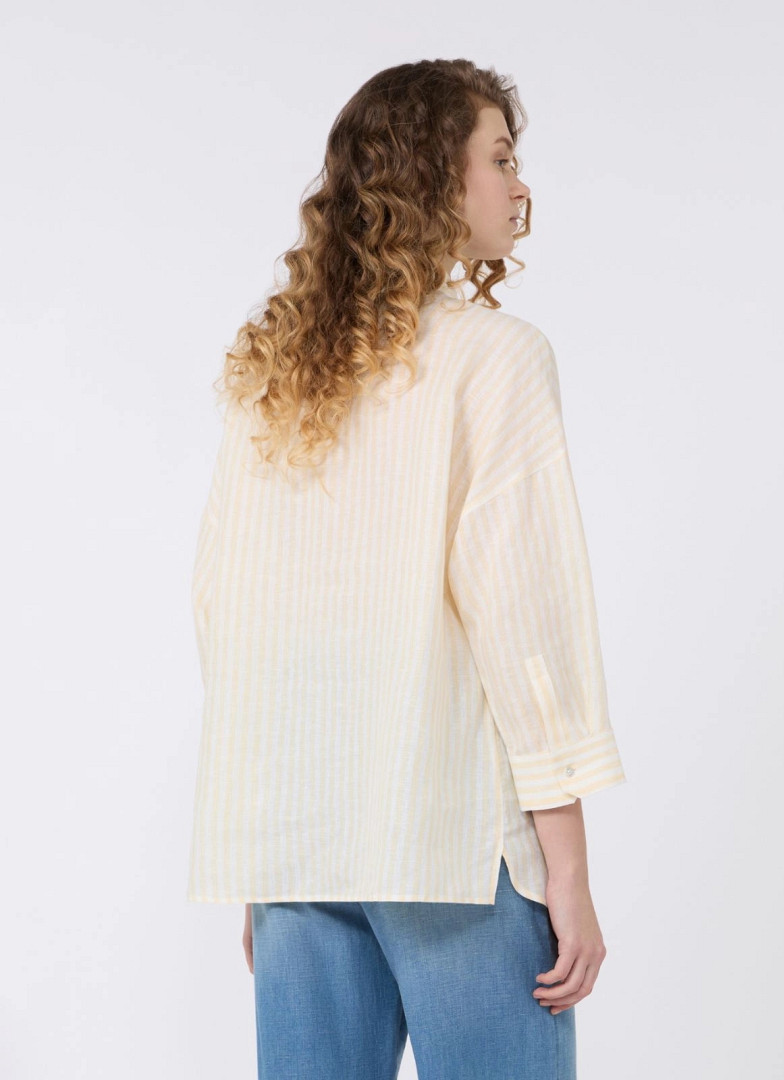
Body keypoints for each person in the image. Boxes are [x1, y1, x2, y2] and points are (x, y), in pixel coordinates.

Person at [187, 58, 627, 1080]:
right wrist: (567, 869)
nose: (519, 184)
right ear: (435, 179)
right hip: (449, 843)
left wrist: (263, 851)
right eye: (500, 159)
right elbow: (526, 618)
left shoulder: (275, 376)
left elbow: (226, 607)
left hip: (298, 845)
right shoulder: (496, 358)